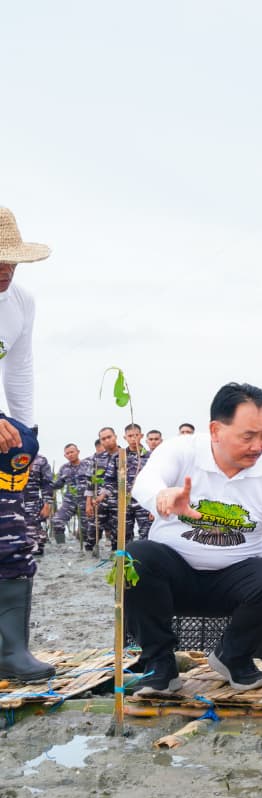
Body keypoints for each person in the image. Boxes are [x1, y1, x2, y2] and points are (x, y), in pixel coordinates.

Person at [126, 383, 262, 694]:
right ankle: (159, 664)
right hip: (174, 580)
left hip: (236, 584)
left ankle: (233, 656)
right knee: (134, 557)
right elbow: (145, 480)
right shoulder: (183, 450)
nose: (259, 446)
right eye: (248, 436)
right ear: (215, 430)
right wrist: (161, 495)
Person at [0, 208, 54, 682]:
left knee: (12, 538)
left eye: (12, 261)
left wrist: (26, 429)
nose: (5, 269)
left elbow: (19, 369)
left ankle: (11, 650)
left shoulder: (20, 302)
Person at [52, 443, 92, 545]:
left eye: (72, 452)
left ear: (78, 452)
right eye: (67, 453)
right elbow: (58, 484)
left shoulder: (88, 464)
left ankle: (84, 553)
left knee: (86, 532)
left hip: (85, 502)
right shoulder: (64, 468)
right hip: (69, 501)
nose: (70, 454)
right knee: (57, 521)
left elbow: (94, 483)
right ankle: (61, 546)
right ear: (65, 456)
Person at [20, 453, 53, 556]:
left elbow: (47, 484)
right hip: (11, 502)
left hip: (33, 504)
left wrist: (47, 505)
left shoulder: (40, 460)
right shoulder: (9, 456)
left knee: (36, 547)